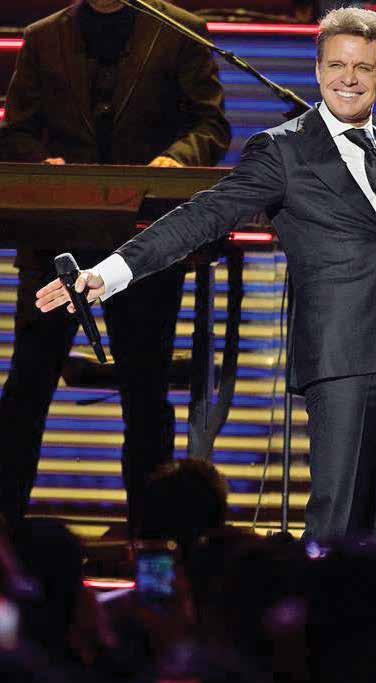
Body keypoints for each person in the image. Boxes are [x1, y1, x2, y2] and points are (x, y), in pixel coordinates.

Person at [37, 7, 376, 551]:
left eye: (363, 68)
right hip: (342, 355)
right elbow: (204, 215)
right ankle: (316, 608)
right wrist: (109, 273)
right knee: (338, 526)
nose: (348, 78)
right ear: (318, 70)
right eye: (337, 65)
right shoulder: (284, 150)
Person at [0, 0, 230, 535]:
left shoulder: (180, 30)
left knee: (145, 393)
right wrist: (40, 163)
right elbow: (16, 130)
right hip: (57, 237)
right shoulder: (44, 36)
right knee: (28, 385)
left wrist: (177, 159)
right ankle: (5, 536)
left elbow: (210, 123)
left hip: (142, 239)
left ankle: (153, 542)